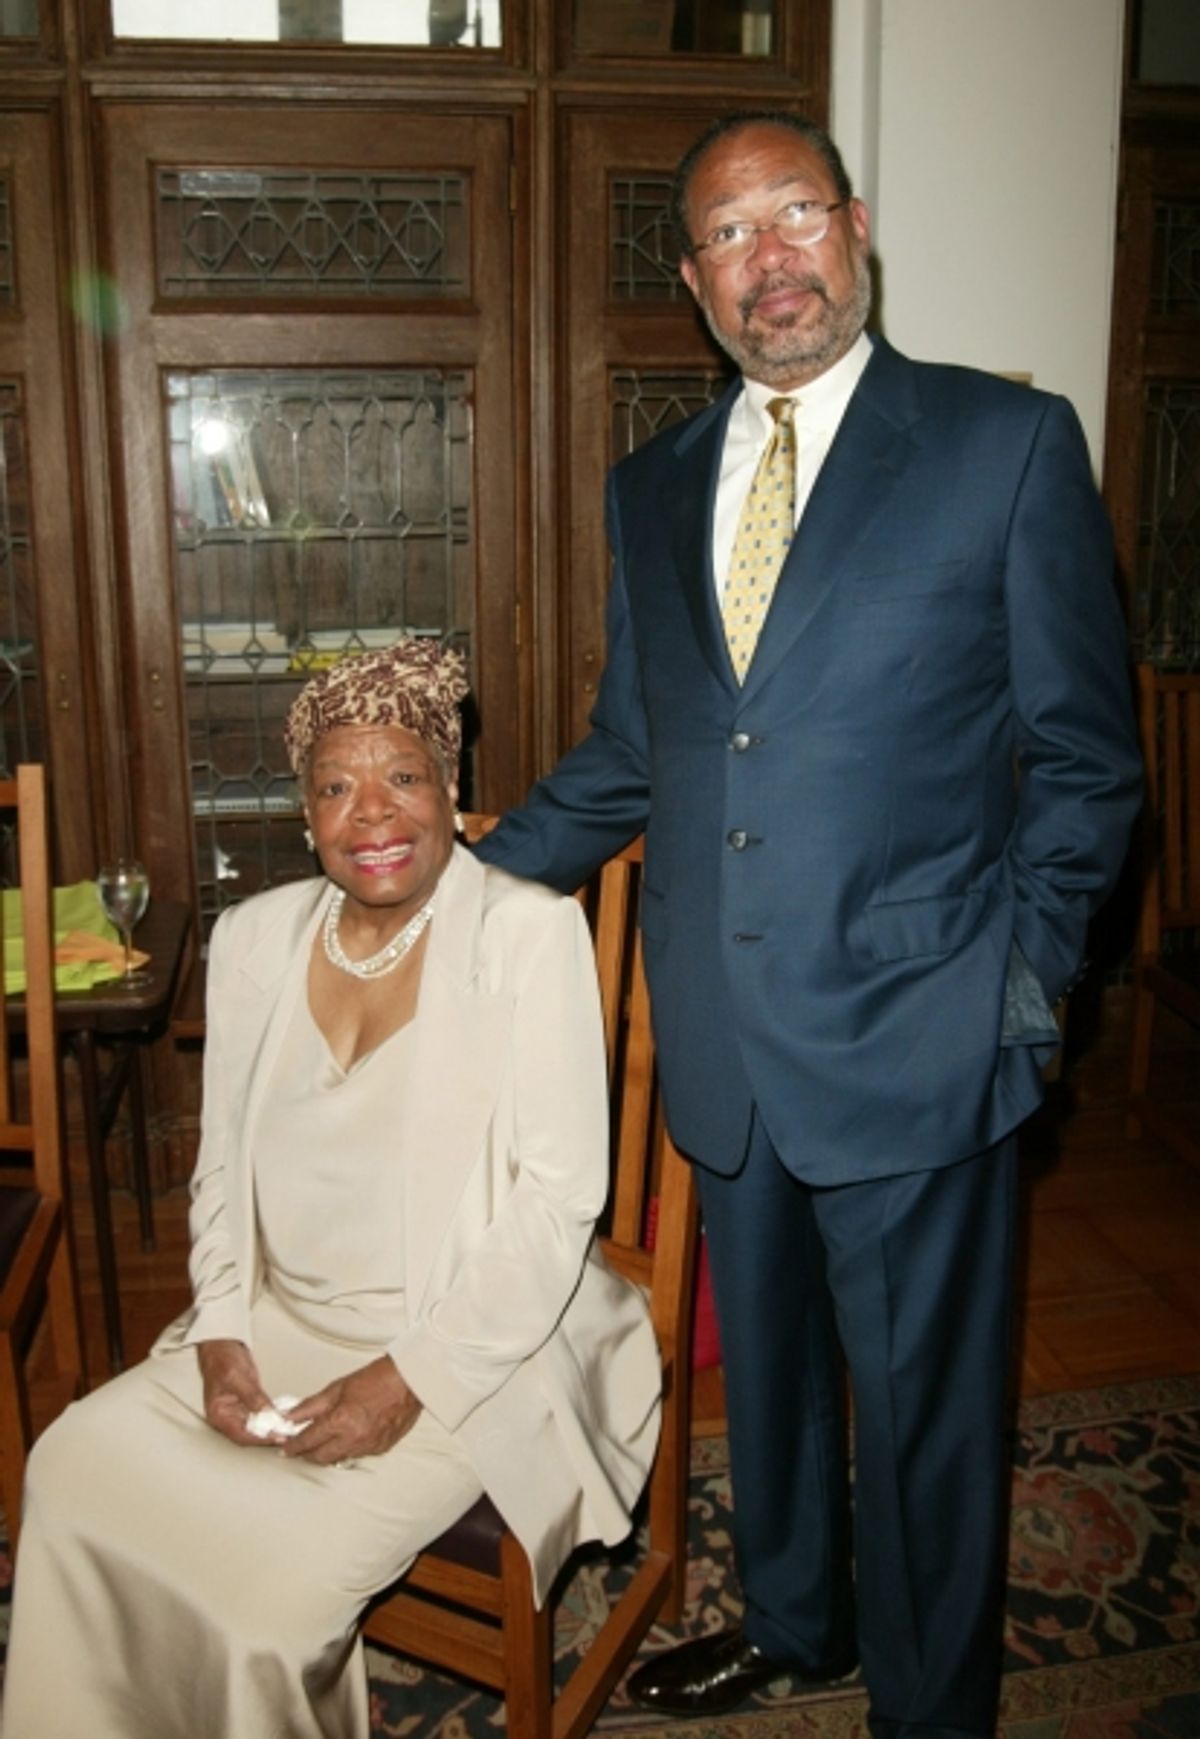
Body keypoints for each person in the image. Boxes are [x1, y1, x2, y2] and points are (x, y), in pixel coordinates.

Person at [473, 112, 1143, 1738]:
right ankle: (792, 1617)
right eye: (726, 233)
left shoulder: (1007, 443)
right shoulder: (654, 486)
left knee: (922, 1413)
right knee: (762, 1369)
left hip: (926, 1029)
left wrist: (1020, 988)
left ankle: (928, 1704)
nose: (767, 258)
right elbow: (639, 746)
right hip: (723, 1029)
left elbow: (1088, 760)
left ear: (855, 230)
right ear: (694, 278)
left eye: (793, 216)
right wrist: (468, 881)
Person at [3, 638, 660, 1739]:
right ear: (304, 813)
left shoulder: (527, 932)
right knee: (68, 1464)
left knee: (266, 1597)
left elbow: (557, 1208)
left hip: (463, 1351)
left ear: (449, 793)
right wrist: (218, 1329)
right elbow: (219, 1173)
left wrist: (402, 1379)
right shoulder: (256, 937)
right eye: (336, 786)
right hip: (274, 1327)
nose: (372, 814)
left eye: (401, 776)